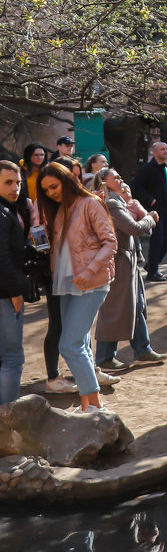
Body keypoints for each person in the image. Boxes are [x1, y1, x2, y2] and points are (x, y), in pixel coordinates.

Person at [38, 162, 118, 413]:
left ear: (66, 180)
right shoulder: (61, 210)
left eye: (54, 186)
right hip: (66, 284)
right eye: (46, 190)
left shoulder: (90, 204)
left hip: (90, 284)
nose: (51, 192)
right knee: (79, 344)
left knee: (69, 345)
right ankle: (89, 406)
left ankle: (95, 406)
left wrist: (89, 270)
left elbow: (110, 243)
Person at [93, 168, 167, 370]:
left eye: (120, 175)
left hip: (129, 261)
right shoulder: (111, 204)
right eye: (115, 177)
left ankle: (142, 349)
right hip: (119, 263)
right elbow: (134, 228)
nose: (120, 179)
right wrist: (150, 217)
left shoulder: (119, 202)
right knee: (114, 308)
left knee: (137, 305)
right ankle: (104, 357)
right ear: (104, 183)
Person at [0, 160, 30, 404]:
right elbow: (2, 258)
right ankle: (7, 420)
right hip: (5, 295)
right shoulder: (2, 214)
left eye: (18, 182)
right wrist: (15, 291)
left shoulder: (8, 210)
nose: (15, 188)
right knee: (12, 359)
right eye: (8, 182)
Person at [131, 142, 167, 282]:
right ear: (154, 152)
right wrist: (151, 200)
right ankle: (153, 271)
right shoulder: (147, 169)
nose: (166, 151)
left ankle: (151, 266)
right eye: (162, 149)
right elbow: (136, 187)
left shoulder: (166, 167)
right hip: (154, 211)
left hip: (166, 210)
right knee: (158, 240)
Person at [20, 143, 48, 208]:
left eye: (42, 155)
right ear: (28, 156)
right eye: (36, 155)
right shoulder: (20, 172)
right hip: (26, 209)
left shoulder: (48, 171)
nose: (40, 157)